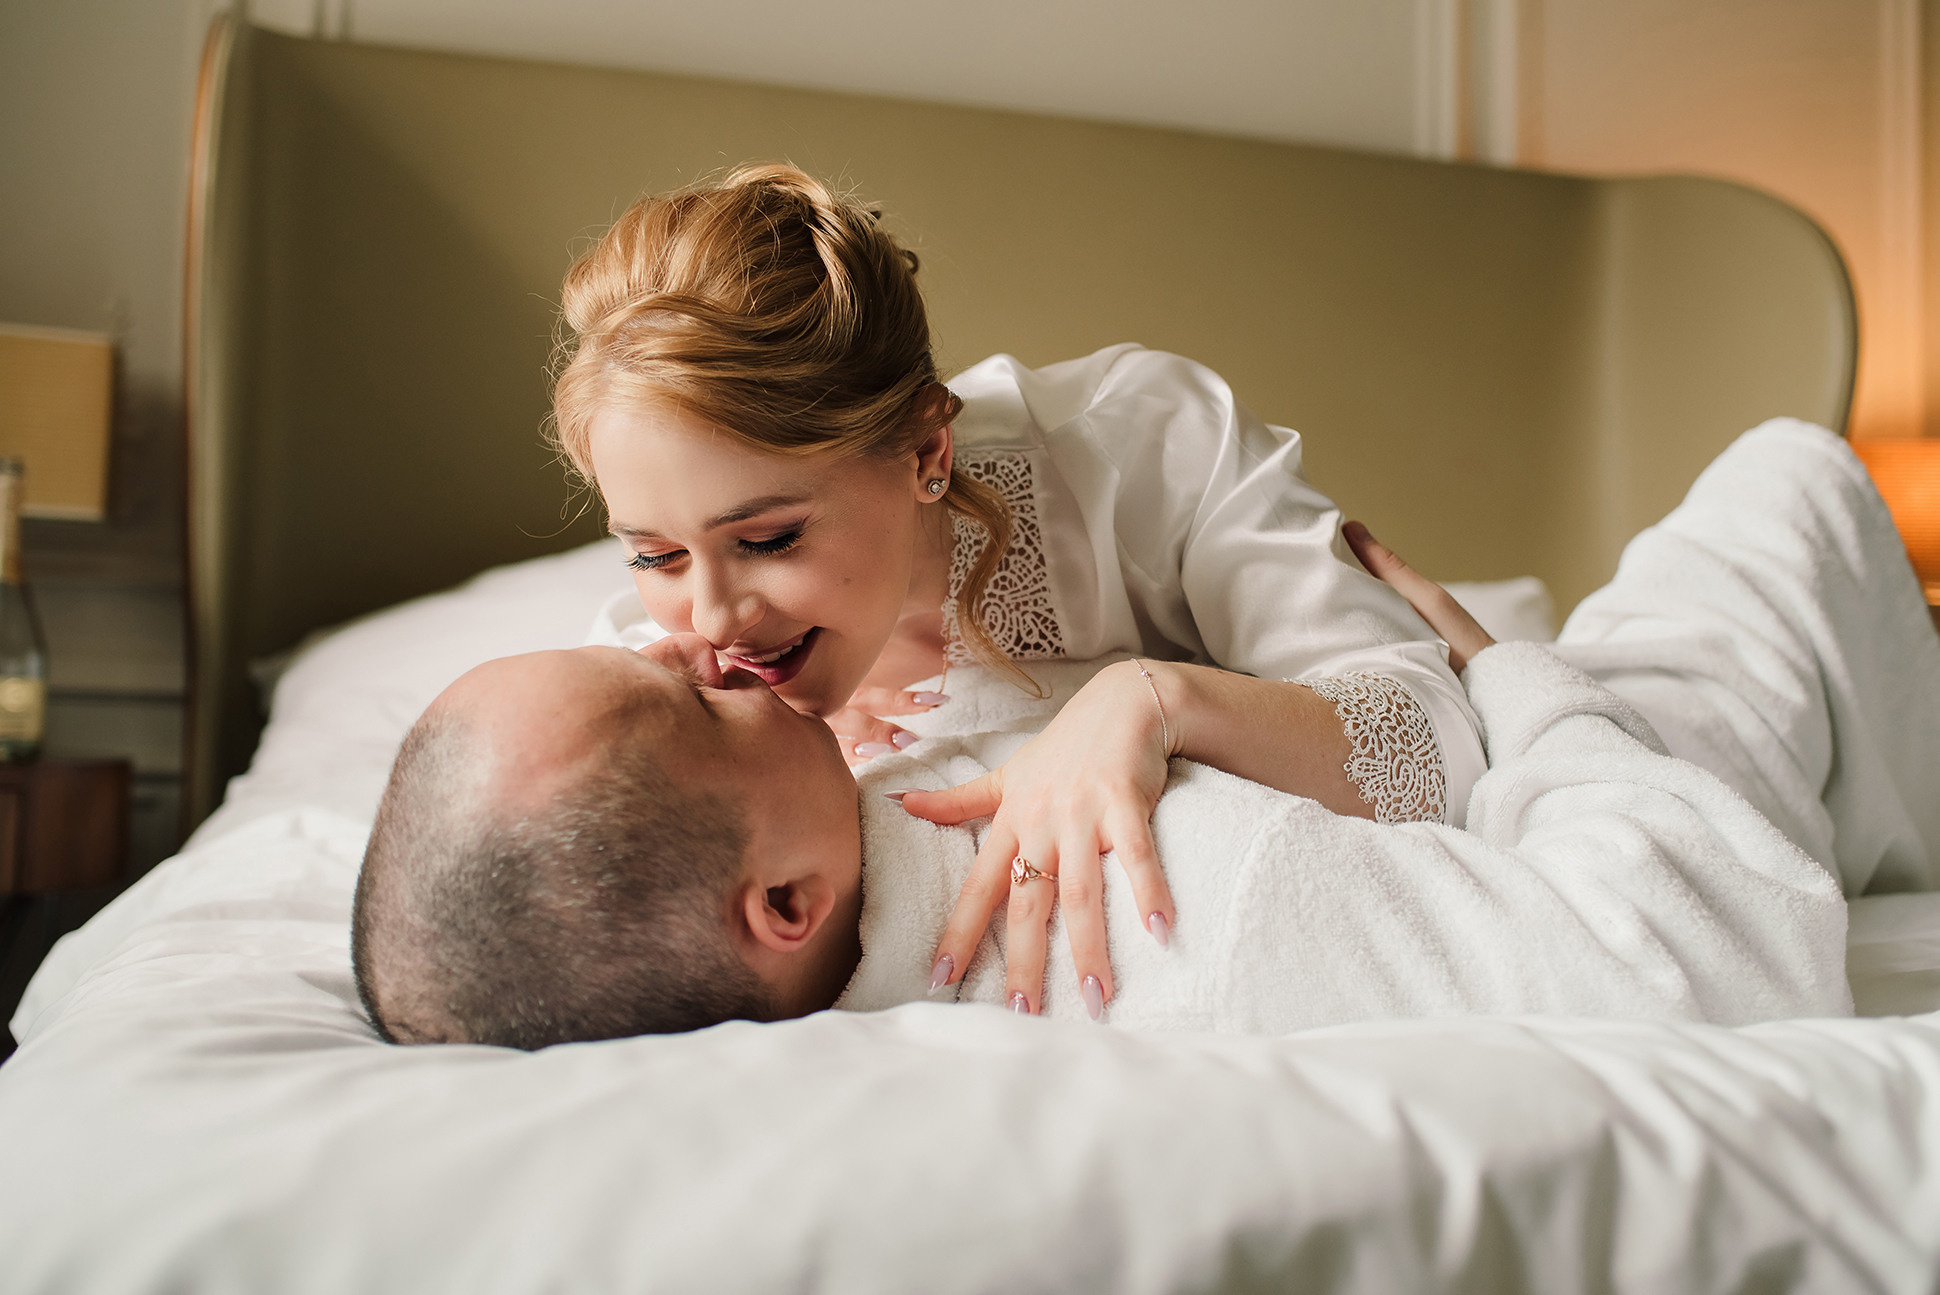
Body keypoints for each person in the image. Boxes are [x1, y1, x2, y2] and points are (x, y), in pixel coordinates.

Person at [556, 162, 1485, 1016]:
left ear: (928, 450)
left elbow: (1435, 742)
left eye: (768, 538)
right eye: (655, 556)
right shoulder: (665, 690)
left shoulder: (1147, 449)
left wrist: (1155, 698)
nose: (713, 618)